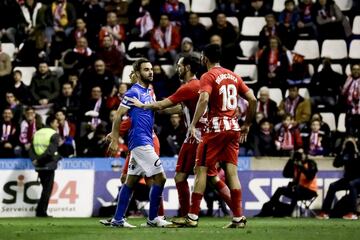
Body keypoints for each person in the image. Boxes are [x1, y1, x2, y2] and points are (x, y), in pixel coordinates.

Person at [130, 55, 234, 217]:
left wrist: (143, 105)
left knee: (180, 177)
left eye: (179, 66)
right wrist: (160, 111)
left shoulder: (189, 87)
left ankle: (187, 214)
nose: (177, 69)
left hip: (195, 138)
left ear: (186, 68)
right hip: (207, 136)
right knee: (212, 177)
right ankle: (237, 210)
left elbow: (163, 104)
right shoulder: (201, 85)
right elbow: (181, 108)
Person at [174, 44, 257, 228]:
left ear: (204, 58)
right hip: (233, 129)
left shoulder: (208, 75)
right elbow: (252, 99)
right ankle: (238, 218)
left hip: (215, 129)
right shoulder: (234, 75)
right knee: (231, 173)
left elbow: (203, 99)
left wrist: (194, 123)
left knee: (201, 169)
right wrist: (247, 124)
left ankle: (192, 217)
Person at [106, 58, 172, 228]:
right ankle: (152, 219)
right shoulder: (133, 92)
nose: (150, 72)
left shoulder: (150, 91)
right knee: (161, 178)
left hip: (146, 140)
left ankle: (118, 219)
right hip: (141, 141)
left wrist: (179, 106)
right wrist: (114, 138)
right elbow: (118, 115)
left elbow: (157, 108)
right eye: (146, 69)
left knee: (130, 181)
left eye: (151, 69)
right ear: (137, 73)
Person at [257, 150, 318, 217]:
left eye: (301, 154)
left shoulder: (310, 163)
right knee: (280, 190)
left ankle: (282, 210)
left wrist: (301, 167)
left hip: (309, 191)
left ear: (305, 155)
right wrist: (291, 159)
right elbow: (286, 174)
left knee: (296, 191)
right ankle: (269, 208)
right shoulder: (295, 164)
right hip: (298, 190)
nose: (300, 156)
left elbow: (310, 176)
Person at [317, 137, 360, 220]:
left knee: (352, 184)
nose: (349, 145)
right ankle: (325, 212)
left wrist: (356, 151)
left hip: (358, 179)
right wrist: (342, 152)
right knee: (333, 186)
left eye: (351, 142)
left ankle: (353, 213)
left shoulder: (357, 152)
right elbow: (336, 164)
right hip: (349, 179)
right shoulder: (345, 153)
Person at [29, 114, 62, 217]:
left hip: (39, 166)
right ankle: (41, 212)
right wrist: (39, 160)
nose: (58, 124)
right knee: (47, 190)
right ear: (52, 123)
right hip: (48, 165)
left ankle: (40, 210)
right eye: (57, 122)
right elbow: (50, 152)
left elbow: (31, 149)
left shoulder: (37, 133)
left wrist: (34, 159)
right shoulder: (54, 134)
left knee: (45, 189)